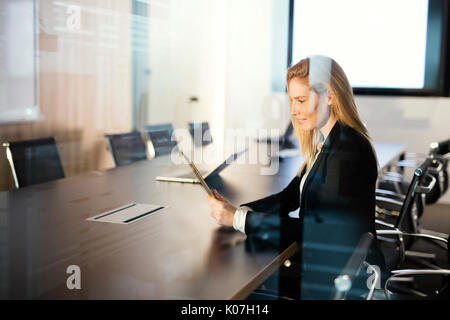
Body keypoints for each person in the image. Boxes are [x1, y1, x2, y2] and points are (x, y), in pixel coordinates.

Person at [207, 55, 386, 299]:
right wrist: (240, 211)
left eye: (301, 100)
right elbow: (289, 197)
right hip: (327, 265)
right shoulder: (327, 142)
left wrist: (240, 220)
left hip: (335, 280)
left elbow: (317, 230)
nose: (293, 110)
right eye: (291, 100)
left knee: (228, 286)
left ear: (330, 96)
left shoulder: (348, 148)